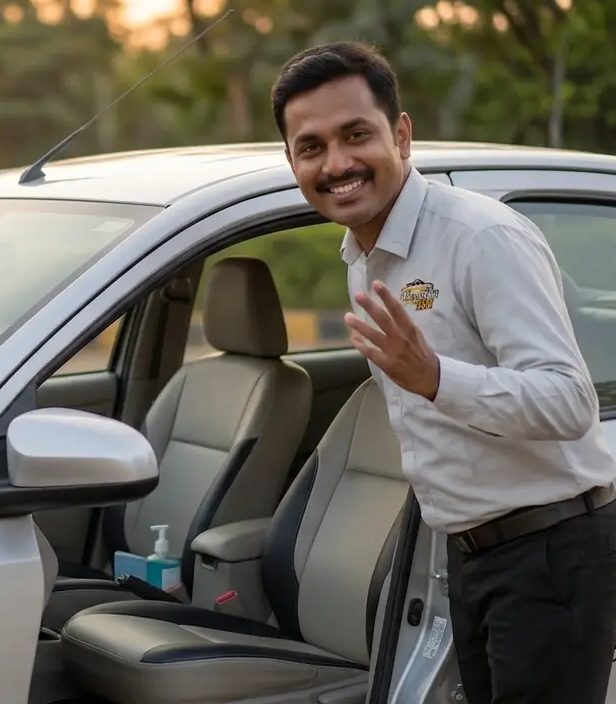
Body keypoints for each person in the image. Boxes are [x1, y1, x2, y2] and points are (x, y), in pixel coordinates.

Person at [270, 41, 616, 703]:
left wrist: (433, 376)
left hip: (549, 553)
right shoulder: (360, 256)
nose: (336, 163)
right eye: (310, 146)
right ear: (290, 160)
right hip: (468, 553)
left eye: (355, 135)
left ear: (400, 135)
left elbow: (570, 401)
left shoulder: (479, 237)